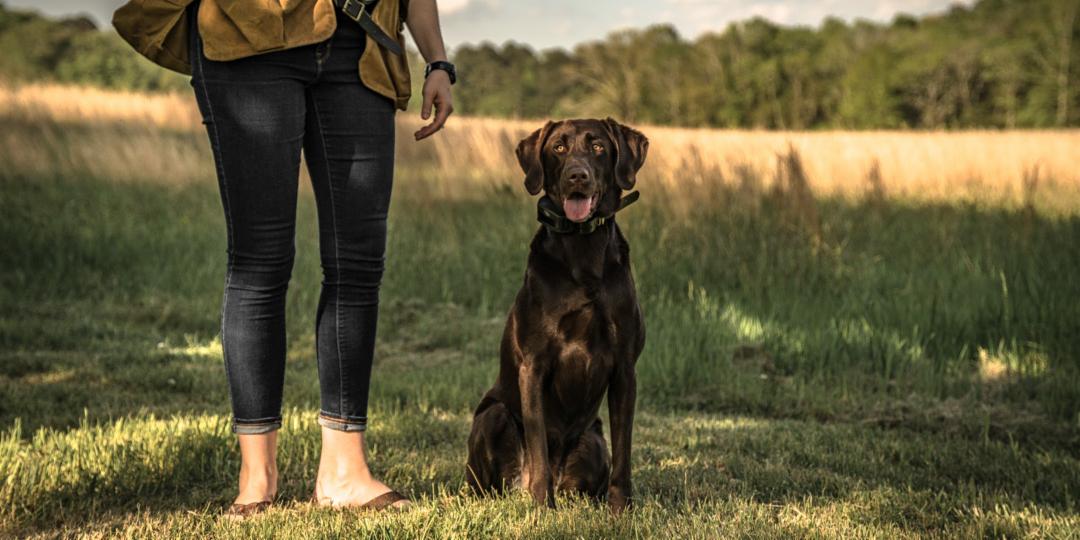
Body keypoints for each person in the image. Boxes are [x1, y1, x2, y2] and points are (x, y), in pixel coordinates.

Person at [112, 0, 455, 517]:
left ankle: (344, 471)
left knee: (358, 264)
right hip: (248, 35)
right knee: (260, 260)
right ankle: (257, 475)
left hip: (359, 44)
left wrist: (437, 60)